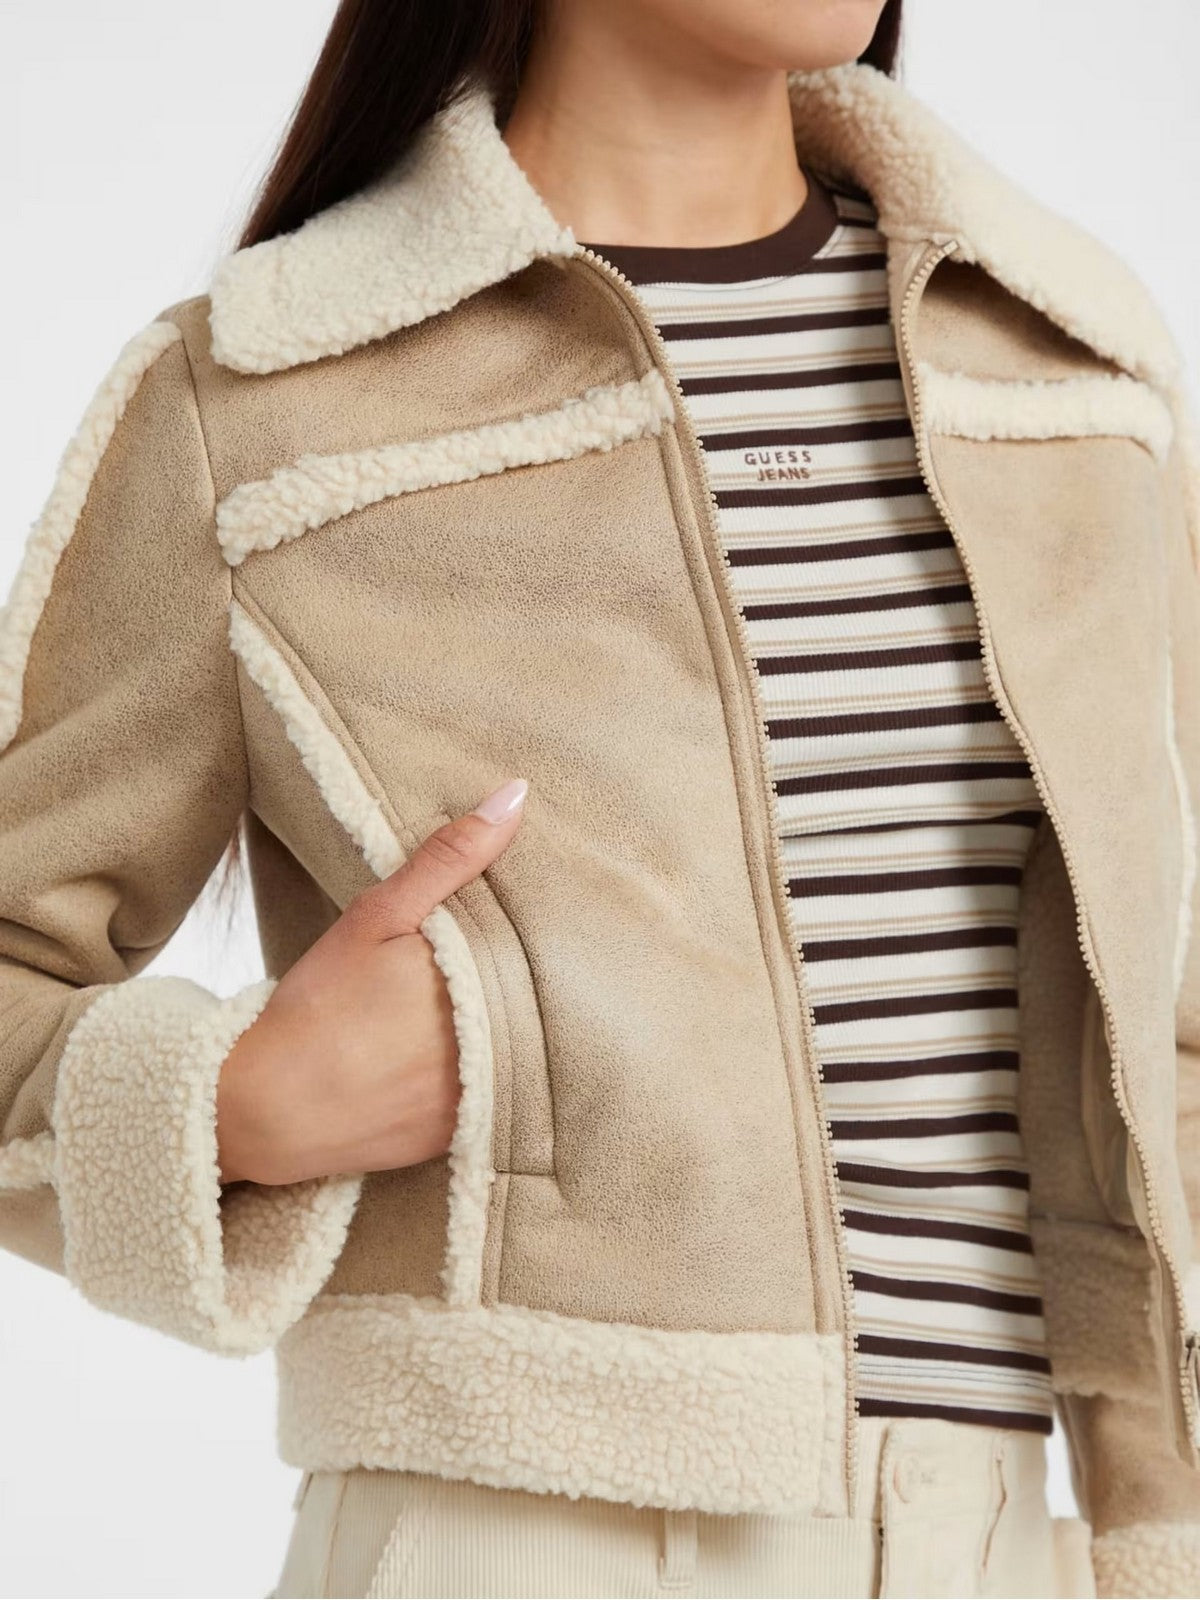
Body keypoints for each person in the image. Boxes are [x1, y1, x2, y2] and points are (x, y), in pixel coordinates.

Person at [2, 0, 1198, 1594]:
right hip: (516, 1532)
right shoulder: (261, 394)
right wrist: (233, 1106)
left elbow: (1165, 1036)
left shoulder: (1066, 371)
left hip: (999, 1537)